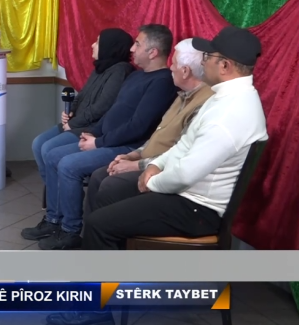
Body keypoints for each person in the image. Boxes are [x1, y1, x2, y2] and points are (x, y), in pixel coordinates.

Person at [51, 29, 268, 325]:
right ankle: (104, 285)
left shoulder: (230, 113)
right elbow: (184, 145)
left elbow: (186, 174)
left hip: (195, 208)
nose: (203, 62)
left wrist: (151, 180)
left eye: (209, 57)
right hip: (186, 194)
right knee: (106, 193)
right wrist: (154, 165)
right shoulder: (225, 97)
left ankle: (95, 314)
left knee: (100, 224)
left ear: (225, 65)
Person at [22, 24, 178, 250]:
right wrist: (93, 133)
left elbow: (138, 127)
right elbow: (113, 112)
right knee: (53, 155)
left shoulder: (162, 82)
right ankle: (54, 220)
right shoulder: (137, 76)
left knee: (68, 165)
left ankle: (70, 231)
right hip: (105, 138)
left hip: (128, 147)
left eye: (137, 44)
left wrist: (98, 143)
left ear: (153, 52)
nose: (132, 49)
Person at [84, 39, 214, 214]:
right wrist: (133, 155)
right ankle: (93, 228)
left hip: (162, 170)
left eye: (174, 63)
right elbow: (157, 136)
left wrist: (136, 165)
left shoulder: (203, 103)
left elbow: (180, 153)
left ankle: (105, 228)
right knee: (99, 176)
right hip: (146, 159)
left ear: (185, 71)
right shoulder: (183, 95)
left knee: (109, 184)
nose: (171, 68)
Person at [32, 28, 135, 188]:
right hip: (76, 122)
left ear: (109, 46)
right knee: (38, 143)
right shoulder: (100, 68)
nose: (92, 45)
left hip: (90, 128)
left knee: (48, 148)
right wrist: (70, 112)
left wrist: (73, 123)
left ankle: (58, 191)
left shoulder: (120, 70)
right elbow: (82, 95)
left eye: (98, 42)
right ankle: (52, 189)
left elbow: (102, 107)